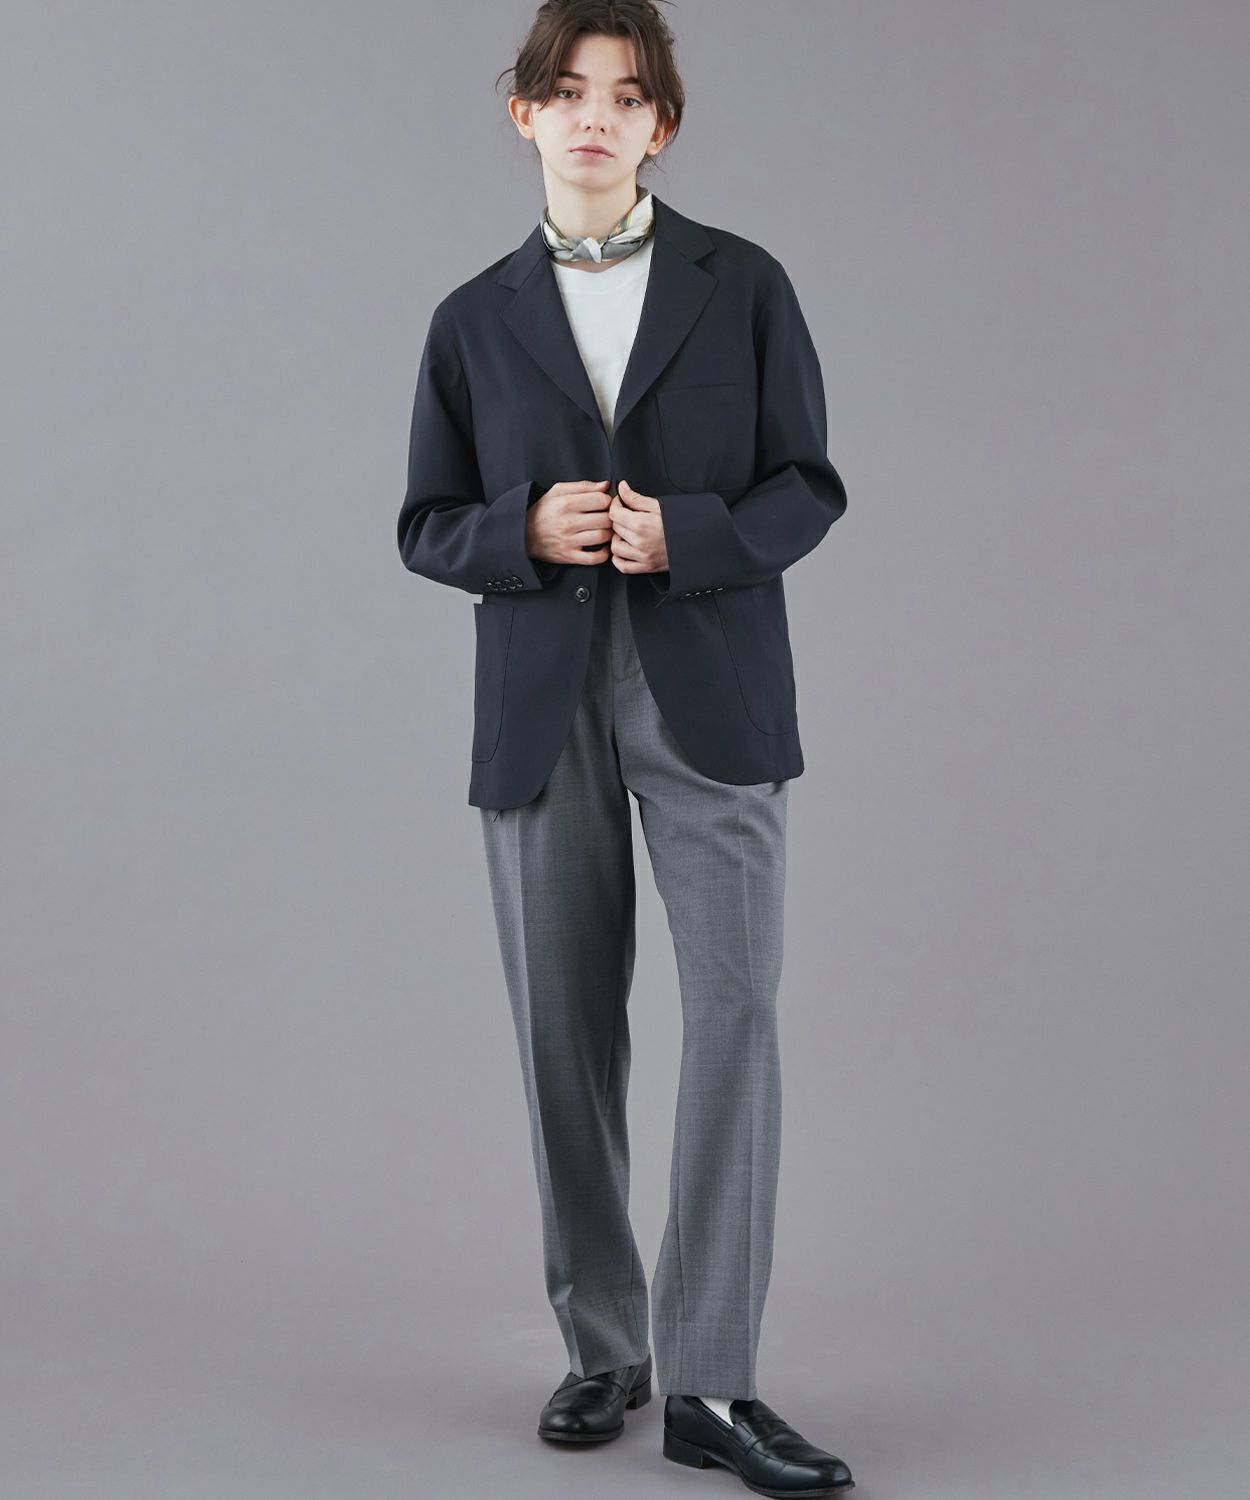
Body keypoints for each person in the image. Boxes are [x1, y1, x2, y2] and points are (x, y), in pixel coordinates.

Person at [397, 3, 853, 1492]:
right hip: (541, 704)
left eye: (627, 93)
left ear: (662, 124)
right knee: (563, 1031)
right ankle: (604, 1347)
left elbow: (807, 484)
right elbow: (424, 523)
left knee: (736, 1018)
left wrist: (692, 535)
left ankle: (713, 1381)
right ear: (523, 113)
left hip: (709, 687)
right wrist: (520, 530)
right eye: (567, 90)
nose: (595, 115)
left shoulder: (745, 284)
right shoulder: (470, 319)